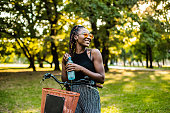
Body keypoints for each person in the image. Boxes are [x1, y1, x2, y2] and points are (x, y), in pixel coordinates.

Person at [61, 25, 105, 113]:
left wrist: (81, 69)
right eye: (85, 35)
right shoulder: (70, 57)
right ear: (75, 37)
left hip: (90, 95)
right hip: (73, 95)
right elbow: (65, 80)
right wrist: (63, 63)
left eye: (90, 35)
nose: (88, 37)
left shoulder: (93, 53)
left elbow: (101, 78)